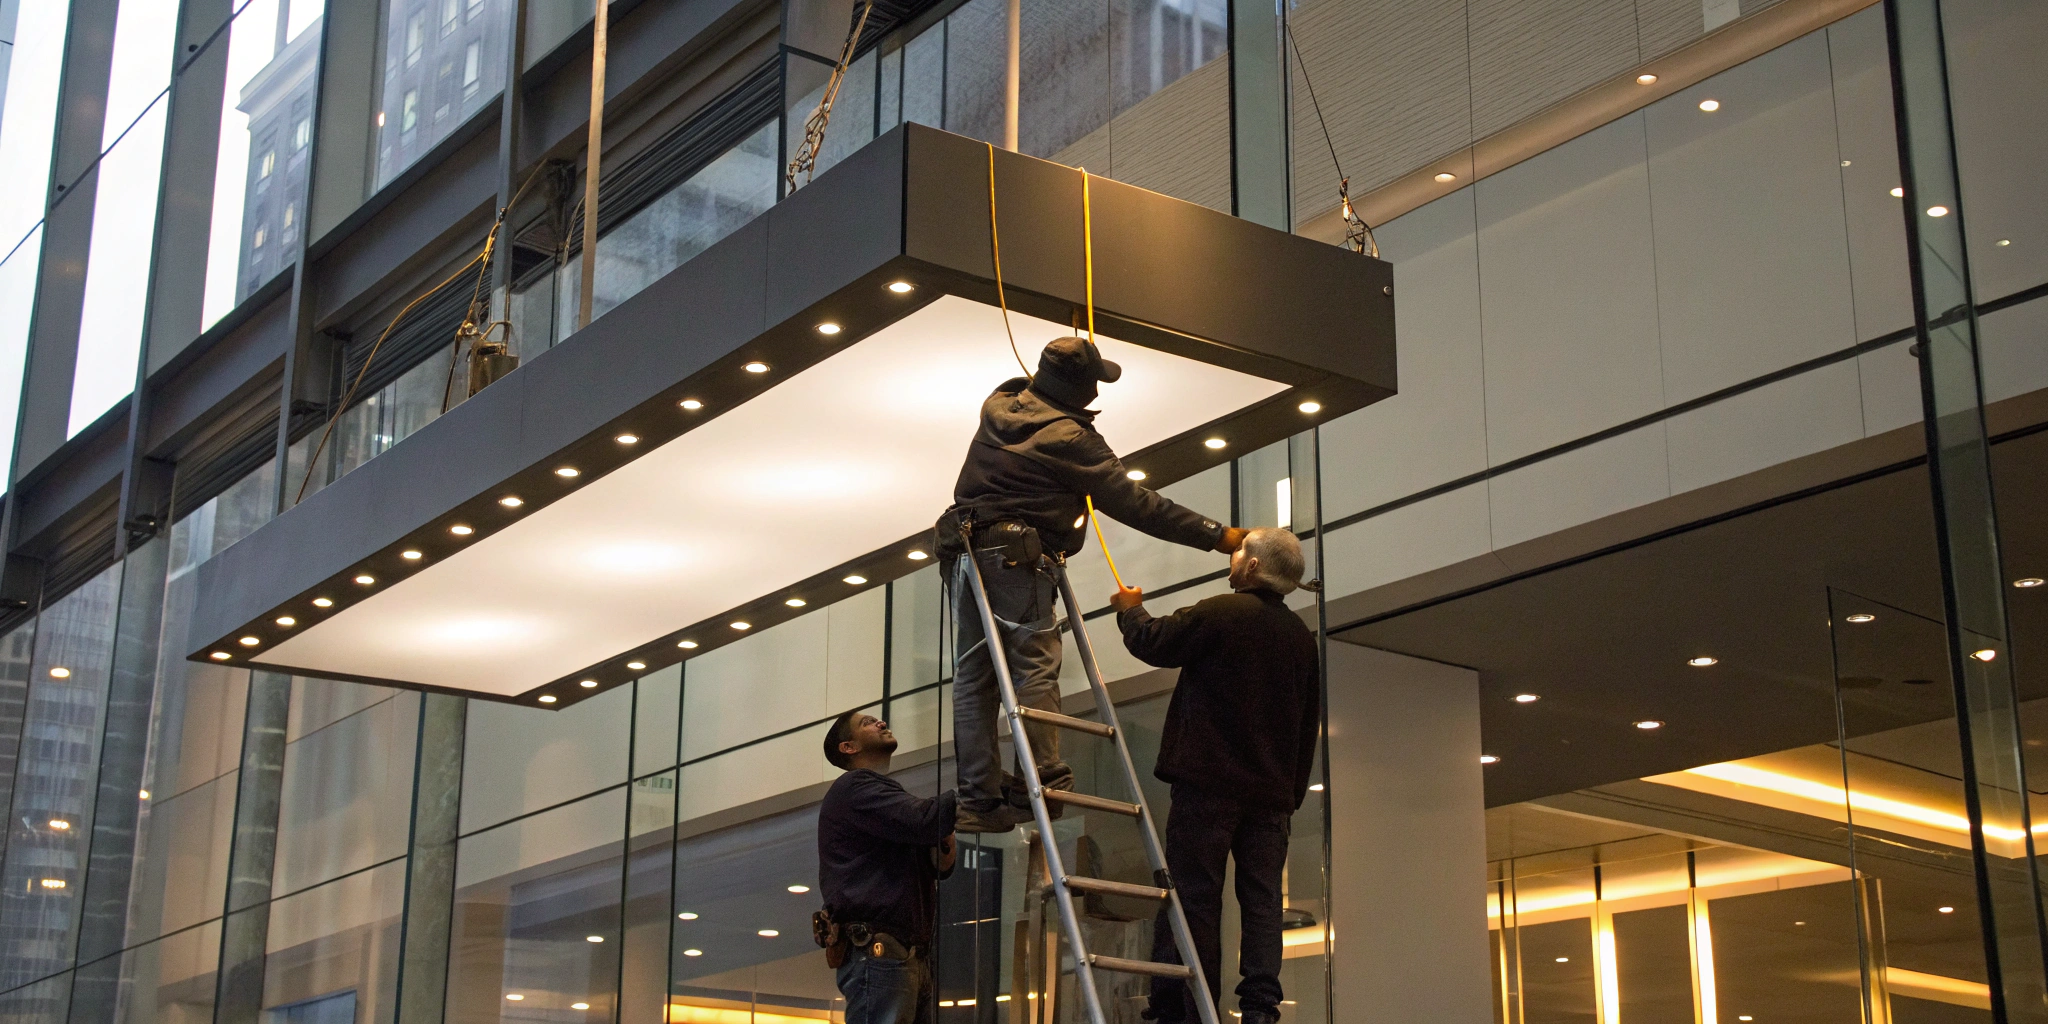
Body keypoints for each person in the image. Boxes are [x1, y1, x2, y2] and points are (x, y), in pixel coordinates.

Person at [937, 336, 1246, 833]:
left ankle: (979, 799)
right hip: (1018, 558)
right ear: (1080, 386)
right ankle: (1046, 777)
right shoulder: (1070, 439)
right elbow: (1136, 504)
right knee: (1033, 668)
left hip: (965, 552)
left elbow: (1022, 389)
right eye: (1094, 384)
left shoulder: (998, 406)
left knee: (974, 680)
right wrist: (1219, 536)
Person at [1110, 528, 1320, 1024]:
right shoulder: (1300, 639)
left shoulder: (1221, 613)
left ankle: (1183, 1006)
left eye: (1238, 554)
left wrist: (1130, 608)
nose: (1232, 559)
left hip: (1208, 786)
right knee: (1263, 900)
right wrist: (1289, 795)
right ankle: (1261, 1007)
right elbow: (1306, 724)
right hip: (1270, 797)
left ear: (1250, 567)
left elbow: (1152, 641)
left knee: (1195, 897)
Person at [817, 709, 957, 1024]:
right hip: (882, 953)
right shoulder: (856, 786)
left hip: (901, 955)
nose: (881, 722)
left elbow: (939, 864)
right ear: (848, 747)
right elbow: (925, 822)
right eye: (867, 723)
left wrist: (940, 821)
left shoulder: (880, 798)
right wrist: (968, 800)